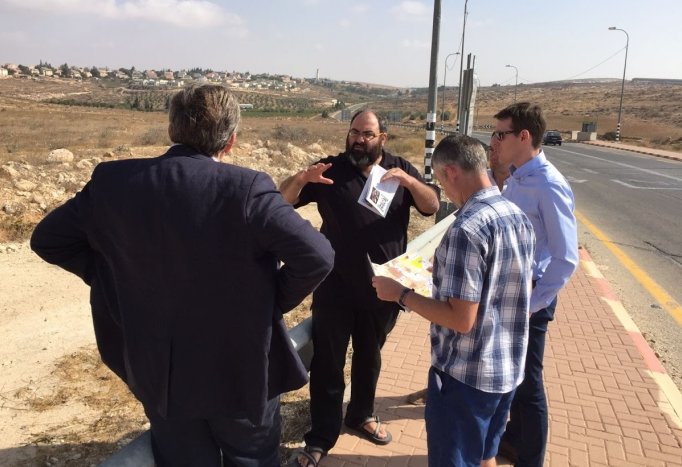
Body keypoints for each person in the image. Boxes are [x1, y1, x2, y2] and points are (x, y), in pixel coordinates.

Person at [30, 84, 335, 467]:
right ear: (231, 140)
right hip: (238, 373)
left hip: (160, 377)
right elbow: (317, 256)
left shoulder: (113, 183)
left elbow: (48, 240)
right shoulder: (246, 189)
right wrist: (271, 300)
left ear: (172, 128)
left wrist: (114, 280)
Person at [279, 110, 440, 466]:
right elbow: (284, 198)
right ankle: (321, 437)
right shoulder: (331, 169)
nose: (359, 139)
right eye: (354, 132)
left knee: (370, 357)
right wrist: (302, 177)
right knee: (328, 364)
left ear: (383, 137)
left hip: (383, 289)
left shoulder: (399, 169)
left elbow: (431, 206)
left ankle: (361, 414)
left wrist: (410, 183)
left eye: (367, 134)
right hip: (334, 287)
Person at [372, 134, 535, 467]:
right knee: (487, 455)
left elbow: (461, 320)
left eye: (441, 180)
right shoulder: (516, 216)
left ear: (450, 172)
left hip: (466, 378)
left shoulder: (466, 230)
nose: (444, 190)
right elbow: (511, 285)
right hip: (506, 370)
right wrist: (447, 273)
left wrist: (400, 293)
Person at [490, 102, 579, 467]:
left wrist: (532, 304)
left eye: (501, 134)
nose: (495, 141)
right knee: (513, 377)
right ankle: (513, 440)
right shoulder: (517, 177)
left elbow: (565, 258)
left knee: (528, 385)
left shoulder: (548, 185)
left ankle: (531, 459)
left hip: (530, 298)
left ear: (524, 136)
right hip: (510, 293)